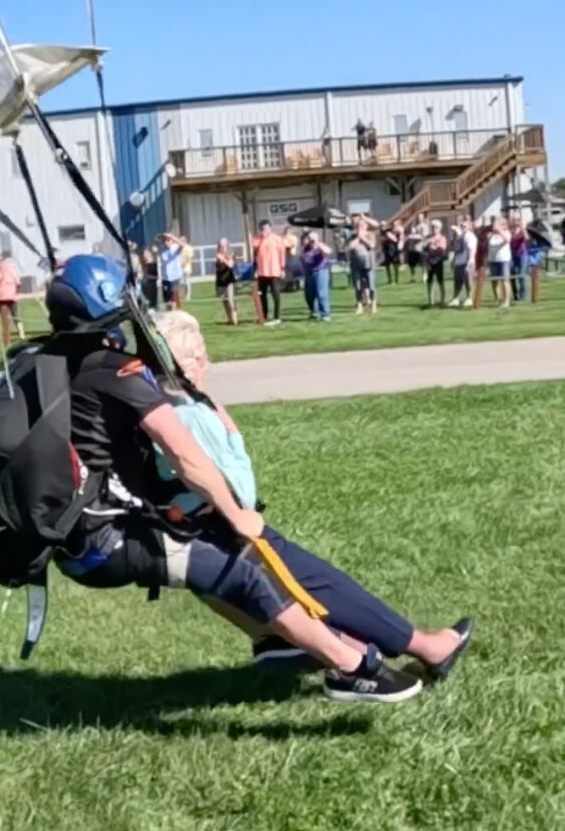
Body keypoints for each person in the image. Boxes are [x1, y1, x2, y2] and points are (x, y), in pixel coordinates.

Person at [34, 262, 473, 705]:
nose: (205, 362)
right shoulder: (140, 387)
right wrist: (237, 512)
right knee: (304, 582)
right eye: (197, 356)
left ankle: (345, 647)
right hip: (174, 525)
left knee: (278, 585)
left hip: (102, 530)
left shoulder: (59, 367)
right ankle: (381, 658)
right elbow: (201, 465)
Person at [253, 219, 286, 325]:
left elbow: (282, 254)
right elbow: (254, 253)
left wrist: (282, 268)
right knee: (262, 295)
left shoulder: (277, 239)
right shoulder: (257, 239)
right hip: (262, 272)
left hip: (274, 271)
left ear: (270, 228)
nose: (264, 230)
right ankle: (264, 316)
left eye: (266, 228)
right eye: (262, 229)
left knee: (275, 294)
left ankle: (277, 317)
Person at [0, 252, 25, 346]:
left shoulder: (12, 271)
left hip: (12, 298)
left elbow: (18, 283)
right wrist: (1, 276)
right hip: (2, 300)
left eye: (1, 260)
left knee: (16, 317)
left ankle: (22, 336)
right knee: (5, 321)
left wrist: (16, 294)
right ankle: (7, 341)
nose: (0, 263)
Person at [348, 214, 378, 314]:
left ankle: (373, 304)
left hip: (369, 264)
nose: (359, 227)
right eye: (357, 226)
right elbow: (351, 246)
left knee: (371, 286)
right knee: (358, 286)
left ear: (366, 226)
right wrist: (358, 237)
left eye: (361, 225)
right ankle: (359, 305)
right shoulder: (352, 236)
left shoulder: (370, 234)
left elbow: (372, 245)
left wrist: (363, 238)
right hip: (356, 265)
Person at [301, 230, 331, 321]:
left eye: (313, 239)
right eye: (310, 238)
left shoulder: (320, 246)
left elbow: (328, 251)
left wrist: (318, 245)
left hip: (321, 271)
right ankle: (313, 312)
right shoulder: (306, 247)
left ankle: (325, 314)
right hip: (309, 272)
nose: (311, 240)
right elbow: (303, 258)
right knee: (309, 294)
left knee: (321, 293)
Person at [448, 215, 477, 307]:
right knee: (457, 282)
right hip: (458, 262)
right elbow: (456, 250)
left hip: (466, 262)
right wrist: (453, 261)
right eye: (462, 226)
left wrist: (469, 262)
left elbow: (471, 250)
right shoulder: (460, 236)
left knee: (468, 281)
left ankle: (469, 298)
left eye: (464, 226)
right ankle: (455, 299)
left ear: (469, 226)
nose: (462, 227)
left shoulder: (470, 236)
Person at [487, 216, 511, 308]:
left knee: (505, 280)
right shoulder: (491, 235)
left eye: (497, 224)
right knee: (494, 281)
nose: (494, 226)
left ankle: (506, 301)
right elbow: (488, 246)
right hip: (493, 260)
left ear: (503, 225)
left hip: (503, 260)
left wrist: (500, 231)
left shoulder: (506, 233)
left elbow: (507, 240)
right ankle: (497, 299)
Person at [156, 231, 184, 309]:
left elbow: (183, 245)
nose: (166, 242)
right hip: (165, 277)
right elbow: (156, 242)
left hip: (174, 277)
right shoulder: (162, 249)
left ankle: (175, 310)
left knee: (173, 297)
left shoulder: (175, 248)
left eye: (168, 240)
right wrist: (161, 237)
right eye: (165, 241)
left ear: (172, 241)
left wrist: (172, 237)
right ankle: (170, 311)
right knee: (167, 299)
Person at [214, 237, 237, 325]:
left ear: (227, 246)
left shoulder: (231, 254)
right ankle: (229, 319)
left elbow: (230, 265)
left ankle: (234, 319)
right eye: (220, 246)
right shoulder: (217, 255)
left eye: (224, 246)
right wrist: (219, 258)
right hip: (220, 280)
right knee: (224, 301)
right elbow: (218, 267)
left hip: (229, 280)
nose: (222, 248)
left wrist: (223, 259)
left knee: (231, 300)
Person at [425, 220, 448, 307]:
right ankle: (431, 302)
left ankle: (442, 301)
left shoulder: (442, 238)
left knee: (440, 281)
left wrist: (433, 246)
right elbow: (424, 249)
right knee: (429, 281)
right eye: (433, 227)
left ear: (440, 228)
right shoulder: (428, 237)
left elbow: (442, 250)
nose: (434, 229)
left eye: (436, 227)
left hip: (438, 261)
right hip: (430, 261)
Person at [510, 217, 527, 302]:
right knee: (511, 275)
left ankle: (523, 293)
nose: (515, 224)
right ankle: (515, 294)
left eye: (517, 223)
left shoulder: (521, 231)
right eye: (514, 223)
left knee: (521, 274)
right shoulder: (510, 232)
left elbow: (527, 238)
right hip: (512, 255)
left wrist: (523, 228)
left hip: (521, 255)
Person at [381, 221, 403, 285]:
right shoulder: (387, 231)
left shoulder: (398, 231)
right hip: (387, 248)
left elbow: (399, 239)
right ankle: (390, 279)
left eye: (396, 225)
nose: (394, 226)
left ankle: (396, 279)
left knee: (395, 264)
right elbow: (383, 236)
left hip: (394, 248)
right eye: (393, 225)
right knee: (387, 264)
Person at [180, 236, 194, 303]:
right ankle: (183, 295)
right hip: (180, 267)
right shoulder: (180, 248)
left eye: (182, 240)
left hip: (187, 266)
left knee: (187, 281)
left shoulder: (189, 248)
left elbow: (190, 257)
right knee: (182, 282)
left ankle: (188, 296)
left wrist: (183, 264)